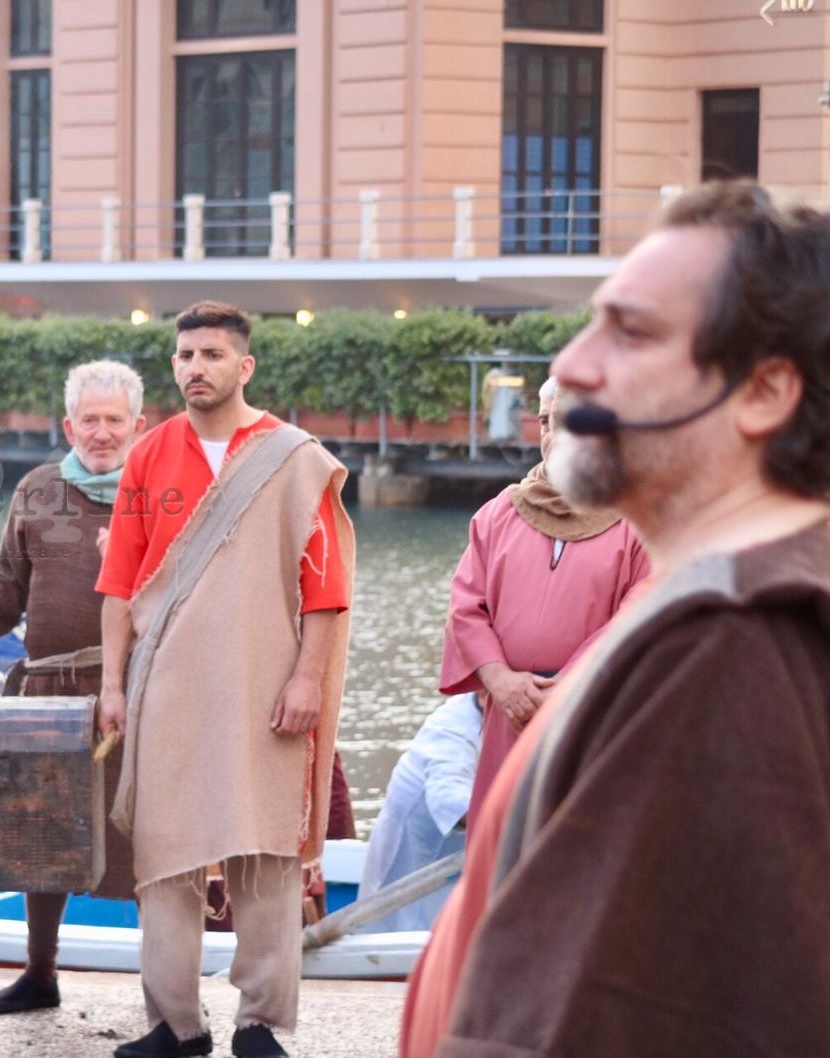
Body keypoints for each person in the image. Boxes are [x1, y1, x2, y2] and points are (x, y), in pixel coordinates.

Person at [401, 181, 830, 1056]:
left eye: (630, 333)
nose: (575, 365)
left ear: (763, 392)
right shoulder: (722, 613)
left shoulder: (726, 647)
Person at [96, 301, 353, 1058]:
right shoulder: (149, 455)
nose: (194, 368)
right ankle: (175, 1024)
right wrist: (112, 683)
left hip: (265, 678)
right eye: (184, 355)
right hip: (164, 681)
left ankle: (260, 1023)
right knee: (163, 853)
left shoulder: (294, 457)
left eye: (211, 355)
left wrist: (307, 679)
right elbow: (119, 583)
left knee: (266, 848)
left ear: (245, 366)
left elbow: (325, 590)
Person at [0, 359, 148, 1017]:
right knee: (41, 833)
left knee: (145, 836)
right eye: (89, 420)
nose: (102, 433)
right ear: (68, 427)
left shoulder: (159, 492)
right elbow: (9, 584)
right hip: (47, 689)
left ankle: (164, 990)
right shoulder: (37, 488)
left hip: (133, 691)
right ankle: (39, 973)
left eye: (114, 421)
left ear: (138, 426)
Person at [439, 377, 648, 828]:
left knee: (579, 842)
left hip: (591, 713)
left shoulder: (641, 522)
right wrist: (499, 680)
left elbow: (638, 616)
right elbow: (466, 607)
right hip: (508, 713)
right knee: (503, 841)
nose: (553, 436)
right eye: (546, 422)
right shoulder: (497, 514)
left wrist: (566, 686)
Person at [355, 693, 481, 933]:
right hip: (415, 869)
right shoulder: (453, 728)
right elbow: (449, 798)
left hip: (463, 866)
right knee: (405, 925)